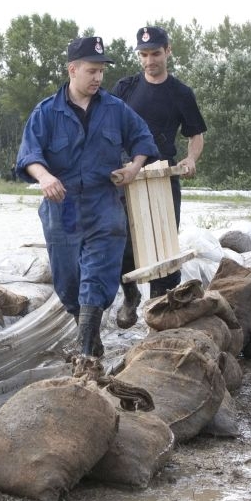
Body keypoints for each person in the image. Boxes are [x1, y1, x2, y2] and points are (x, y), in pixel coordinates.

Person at [14, 36, 159, 376]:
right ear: (73, 70)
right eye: (92, 71)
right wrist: (44, 177)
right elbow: (28, 155)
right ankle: (92, 340)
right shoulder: (46, 112)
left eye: (101, 71)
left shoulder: (115, 109)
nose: (98, 78)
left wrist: (134, 168)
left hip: (103, 203)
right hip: (62, 205)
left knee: (96, 278)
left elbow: (143, 140)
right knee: (68, 284)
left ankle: (84, 357)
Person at [110, 26, 208, 329]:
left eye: (155, 53)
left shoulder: (181, 93)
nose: (149, 61)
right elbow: (107, 126)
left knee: (164, 243)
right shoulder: (125, 88)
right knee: (121, 239)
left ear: (168, 51)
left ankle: (158, 308)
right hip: (128, 175)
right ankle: (130, 296)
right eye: (144, 55)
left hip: (163, 176)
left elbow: (196, 135)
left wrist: (190, 159)